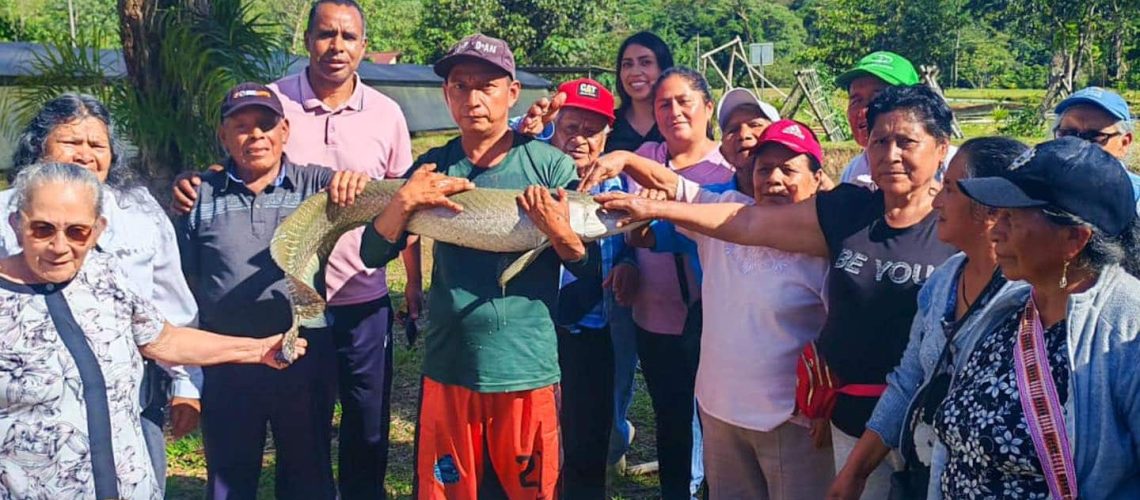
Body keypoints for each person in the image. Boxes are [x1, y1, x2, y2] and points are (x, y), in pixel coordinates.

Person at [591, 84, 960, 498]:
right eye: (880, 141)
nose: (891, 154)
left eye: (906, 141)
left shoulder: (955, 224)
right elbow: (736, 219)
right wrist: (642, 189)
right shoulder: (846, 213)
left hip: (912, 419)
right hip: (840, 420)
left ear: (941, 147)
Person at [173, 3, 416, 495]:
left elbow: (400, 202)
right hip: (289, 316)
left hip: (360, 292)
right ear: (306, 39)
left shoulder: (387, 114)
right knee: (281, 439)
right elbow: (235, 164)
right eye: (326, 33)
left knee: (363, 424)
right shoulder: (276, 101)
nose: (337, 45)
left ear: (364, 46)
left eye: (349, 36)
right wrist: (194, 182)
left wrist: (412, 278)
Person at [361, 34, 592, 499]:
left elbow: (588, 272)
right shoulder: (433, 166)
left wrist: (559, 232)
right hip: (451, 366)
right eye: (460, 86)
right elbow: (373, 254)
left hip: (526, 368)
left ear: (512, 93)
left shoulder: (548, 166)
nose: (473, 99)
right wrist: (402, 202)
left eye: (487, 86)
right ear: (446, 96)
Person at [0, 162, 306, 500]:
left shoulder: (104, 275)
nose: (59, 246)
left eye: (77, 231)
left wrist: (257, 350)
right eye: (42, 229)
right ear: (17, 224)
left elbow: (164, 340)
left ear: (98, 230)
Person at [0, 93, 200, 493]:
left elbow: (172, 307)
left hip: (133, 399)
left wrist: (186, 386)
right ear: (40, 147)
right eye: (71, 142)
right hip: (34, 416)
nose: (85, 154)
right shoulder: (8, 211)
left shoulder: (140, 212)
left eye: (97, 145)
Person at [177, 82, 368, 499]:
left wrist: (356, 182)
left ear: (285, 130)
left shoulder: (316, 185)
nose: (255, 135)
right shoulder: (197, 197)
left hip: (301, 352)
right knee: (229, 474)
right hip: (226, 358)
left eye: (266, 125)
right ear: (223, 136)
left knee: (307, 473)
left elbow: (370, 201)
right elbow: (184, 281)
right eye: (241, 126)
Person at [634, 120, 833, 498]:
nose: (773, 178)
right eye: (763, 168)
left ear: (817, 178)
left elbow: (841, 333)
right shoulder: (727, 214)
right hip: (719, 415)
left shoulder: (825, 242)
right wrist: (624, 158)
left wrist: (826, 403)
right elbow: (674, 186)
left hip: (791, 423)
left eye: (788, 169)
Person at [937, 136, 1140, 498]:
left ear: (1073, 239)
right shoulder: (1006, 308)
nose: (995, 231)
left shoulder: (1126, 329)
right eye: (996, 213)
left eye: (1011, 218)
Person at [827, 137, 1030, 499]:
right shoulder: (945, 280)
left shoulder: (1032, 302)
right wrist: (855, 472)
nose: (936, 200)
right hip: (924, 476)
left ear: (992, 205)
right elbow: (910, 380)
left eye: (950, 189)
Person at [592, 66, 731, 499]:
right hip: (653, 316)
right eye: (662, 104)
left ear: (707, 107)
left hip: (715, 322)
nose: (673, 111)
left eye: (683, 101)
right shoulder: (648, 153)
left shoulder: (729, 163)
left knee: (716, 422)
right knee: (670, 417)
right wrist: (629, 257)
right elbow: (628, 226)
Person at [835, 51, 957, 190]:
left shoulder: (958, 168)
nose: (865, 111)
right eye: (856, 100)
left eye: (878, 99)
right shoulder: (853, 173)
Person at [1051, 86, 1140, 211]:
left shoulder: (1135, 199)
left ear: (1124, 143)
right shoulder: (1033, 190)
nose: (1079, 144)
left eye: (1094, 136)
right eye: (1068, 134)